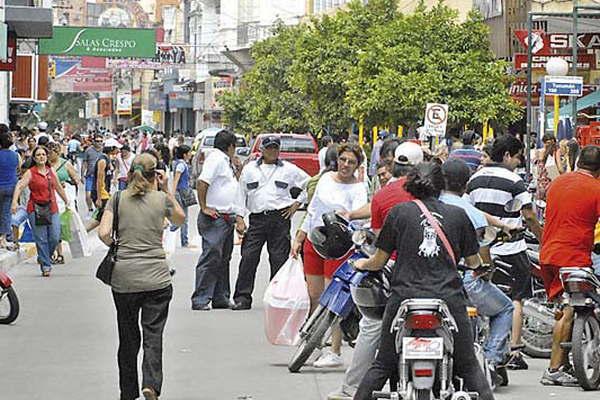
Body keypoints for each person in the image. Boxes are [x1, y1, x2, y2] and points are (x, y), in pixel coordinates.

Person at [353, 162, 494, 400]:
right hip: (448, 299)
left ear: (411, 185)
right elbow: (473, 262)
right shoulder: (458, 215)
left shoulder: (398, 213)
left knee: (382, 365)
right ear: (442, 185)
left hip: (404, 298)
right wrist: (480, 267)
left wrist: (361, 264)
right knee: (468, 365)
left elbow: (378, 260)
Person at [328, 142, 421, 400]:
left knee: (371, 325)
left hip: (394, 269)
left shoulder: (383, 196)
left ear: (394, 166)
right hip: (434, 271)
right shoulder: (434, 193)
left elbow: (381, 243)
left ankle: (351, 389)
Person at [98, 153, 185, 400]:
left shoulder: (116, 199)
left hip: (124, 279)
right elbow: (179, 217)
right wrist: (167, 187)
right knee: (153, 335)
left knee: (127, 337)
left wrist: (119, 244)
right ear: (154, 174)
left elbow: (104, 232)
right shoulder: (160, 200)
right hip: (157, 279)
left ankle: (128, 392)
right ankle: (151, 384)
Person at [467, 135, 543, 370]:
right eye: (519, 156)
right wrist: (543, 238)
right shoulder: (514, 181)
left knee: (482, 294)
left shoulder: (475, 178)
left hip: (481, 249)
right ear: (508, 155)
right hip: (511, 248)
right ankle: (514, 349)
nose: (520, 162)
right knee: (516, 298)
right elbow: (529, 215)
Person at [291, 143, 368, 368]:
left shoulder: (359, 188)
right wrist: (299, 237)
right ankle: (314, 340)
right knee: (314, 294)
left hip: (340, 247)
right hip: (315, 241)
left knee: (333, 298)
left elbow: (360, 219)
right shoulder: (325, 179)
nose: (346, 165)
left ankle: (334, 350)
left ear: (357, 165)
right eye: (343, 160)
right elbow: (312, 209)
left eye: (351, 162)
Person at [440, 158, 514, 384]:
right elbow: (481, 253)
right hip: (464, 279)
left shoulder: (430, 204)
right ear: (465, 186)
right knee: (505, 309)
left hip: (432, 279)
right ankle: (491, 360)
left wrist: (502, 226)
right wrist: (486, 269)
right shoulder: (469, 213)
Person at [538, 145, 600, 386]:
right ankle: (554, 369)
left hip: (548, 254)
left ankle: (560, 365)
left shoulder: (558, 183)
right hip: (572, 257)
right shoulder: (595, 189)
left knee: (565, 309)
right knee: (570, 311)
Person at [232, 135, 309, 310]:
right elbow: (240, 194)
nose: (273, 151)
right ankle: (242, 297)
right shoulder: (250, 169)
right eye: (269, 148)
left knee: (279, 259)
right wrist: (239, 218)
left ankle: (278, 297)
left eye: (276, 148)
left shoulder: (289, 170)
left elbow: (309, 184)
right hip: (257, 219)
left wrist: (297, 203)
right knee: (249, 258)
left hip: (279, 219)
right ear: (262, 150)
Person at [191, 130, 245, 311]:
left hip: (227, 216)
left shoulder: (226, 162)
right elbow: (202, 182)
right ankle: (201, 298)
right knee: (211, 256)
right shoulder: (215, 159)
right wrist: (204, 206)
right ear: (230, 146)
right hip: (215, 217)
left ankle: (220, 296)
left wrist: (238, 168)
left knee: (224, 258)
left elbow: (233, 186)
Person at [10, 146, 69, 276]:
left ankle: (44, 257)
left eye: (43, 154)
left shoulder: (51, 171)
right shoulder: (30, 172)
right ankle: (46, 266)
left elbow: (58, 187)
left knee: (55, 236)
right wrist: (14, 202)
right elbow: (19, 186)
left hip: (52, 207)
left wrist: (66, 200)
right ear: (34, 158)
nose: (41, 157)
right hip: (35, 209)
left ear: (47, 157)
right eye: (38, 155)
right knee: (41, 238)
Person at [47, 141, 81, 264]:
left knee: (61, 226)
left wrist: (65, 183)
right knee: (53, 227)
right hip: (50, 199)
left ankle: (62, 253)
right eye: (48, 152)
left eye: (51, 152)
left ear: (57, 153)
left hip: (63, 200)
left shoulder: (65, 164)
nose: (49, 155)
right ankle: (56, 253)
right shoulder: (45, 165)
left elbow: (76, 179)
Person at [87, 138, 121, 232]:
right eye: (116, 148)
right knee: (109, 215)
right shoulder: (103, 161)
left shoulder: (108, 159)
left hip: (104, 192)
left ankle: (85, 232)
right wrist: (98, 198)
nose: (118, 150)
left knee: (102, 217)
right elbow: (99, 180)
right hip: (100, 193)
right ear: (112, 148)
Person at [0, 126, 19, 249]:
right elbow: (18, 169)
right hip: (11, 187)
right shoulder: (15, 155)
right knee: (6, 213)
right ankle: (2, 238)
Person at [171, 145, 193, 248]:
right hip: (181, 192)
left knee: (183, 217)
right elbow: (176, 179)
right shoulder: (181, 165)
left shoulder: (181, 163)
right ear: (184, 154)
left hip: (181, 191)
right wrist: (172, 193)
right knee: (183, 217)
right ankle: (170, 228)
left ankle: (184, 240)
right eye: (189, 152)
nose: (190, 154)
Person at [535, 133, 563, 202]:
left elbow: (538, 170)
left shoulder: (539, 152)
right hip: (552, 182)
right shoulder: (556, 151)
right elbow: (560, 169)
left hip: (541, 183)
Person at [82, 135, 103, 213]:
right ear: (93, 142)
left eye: (101, 141)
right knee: (88, 195)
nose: (99, 143)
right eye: (97, 141)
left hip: (100, 176)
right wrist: (82, 175)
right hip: (90, 176)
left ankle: (98, 210)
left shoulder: (104, 151)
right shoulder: (88, 150)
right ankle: (90, 209)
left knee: (99, 195)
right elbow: (84, 163)